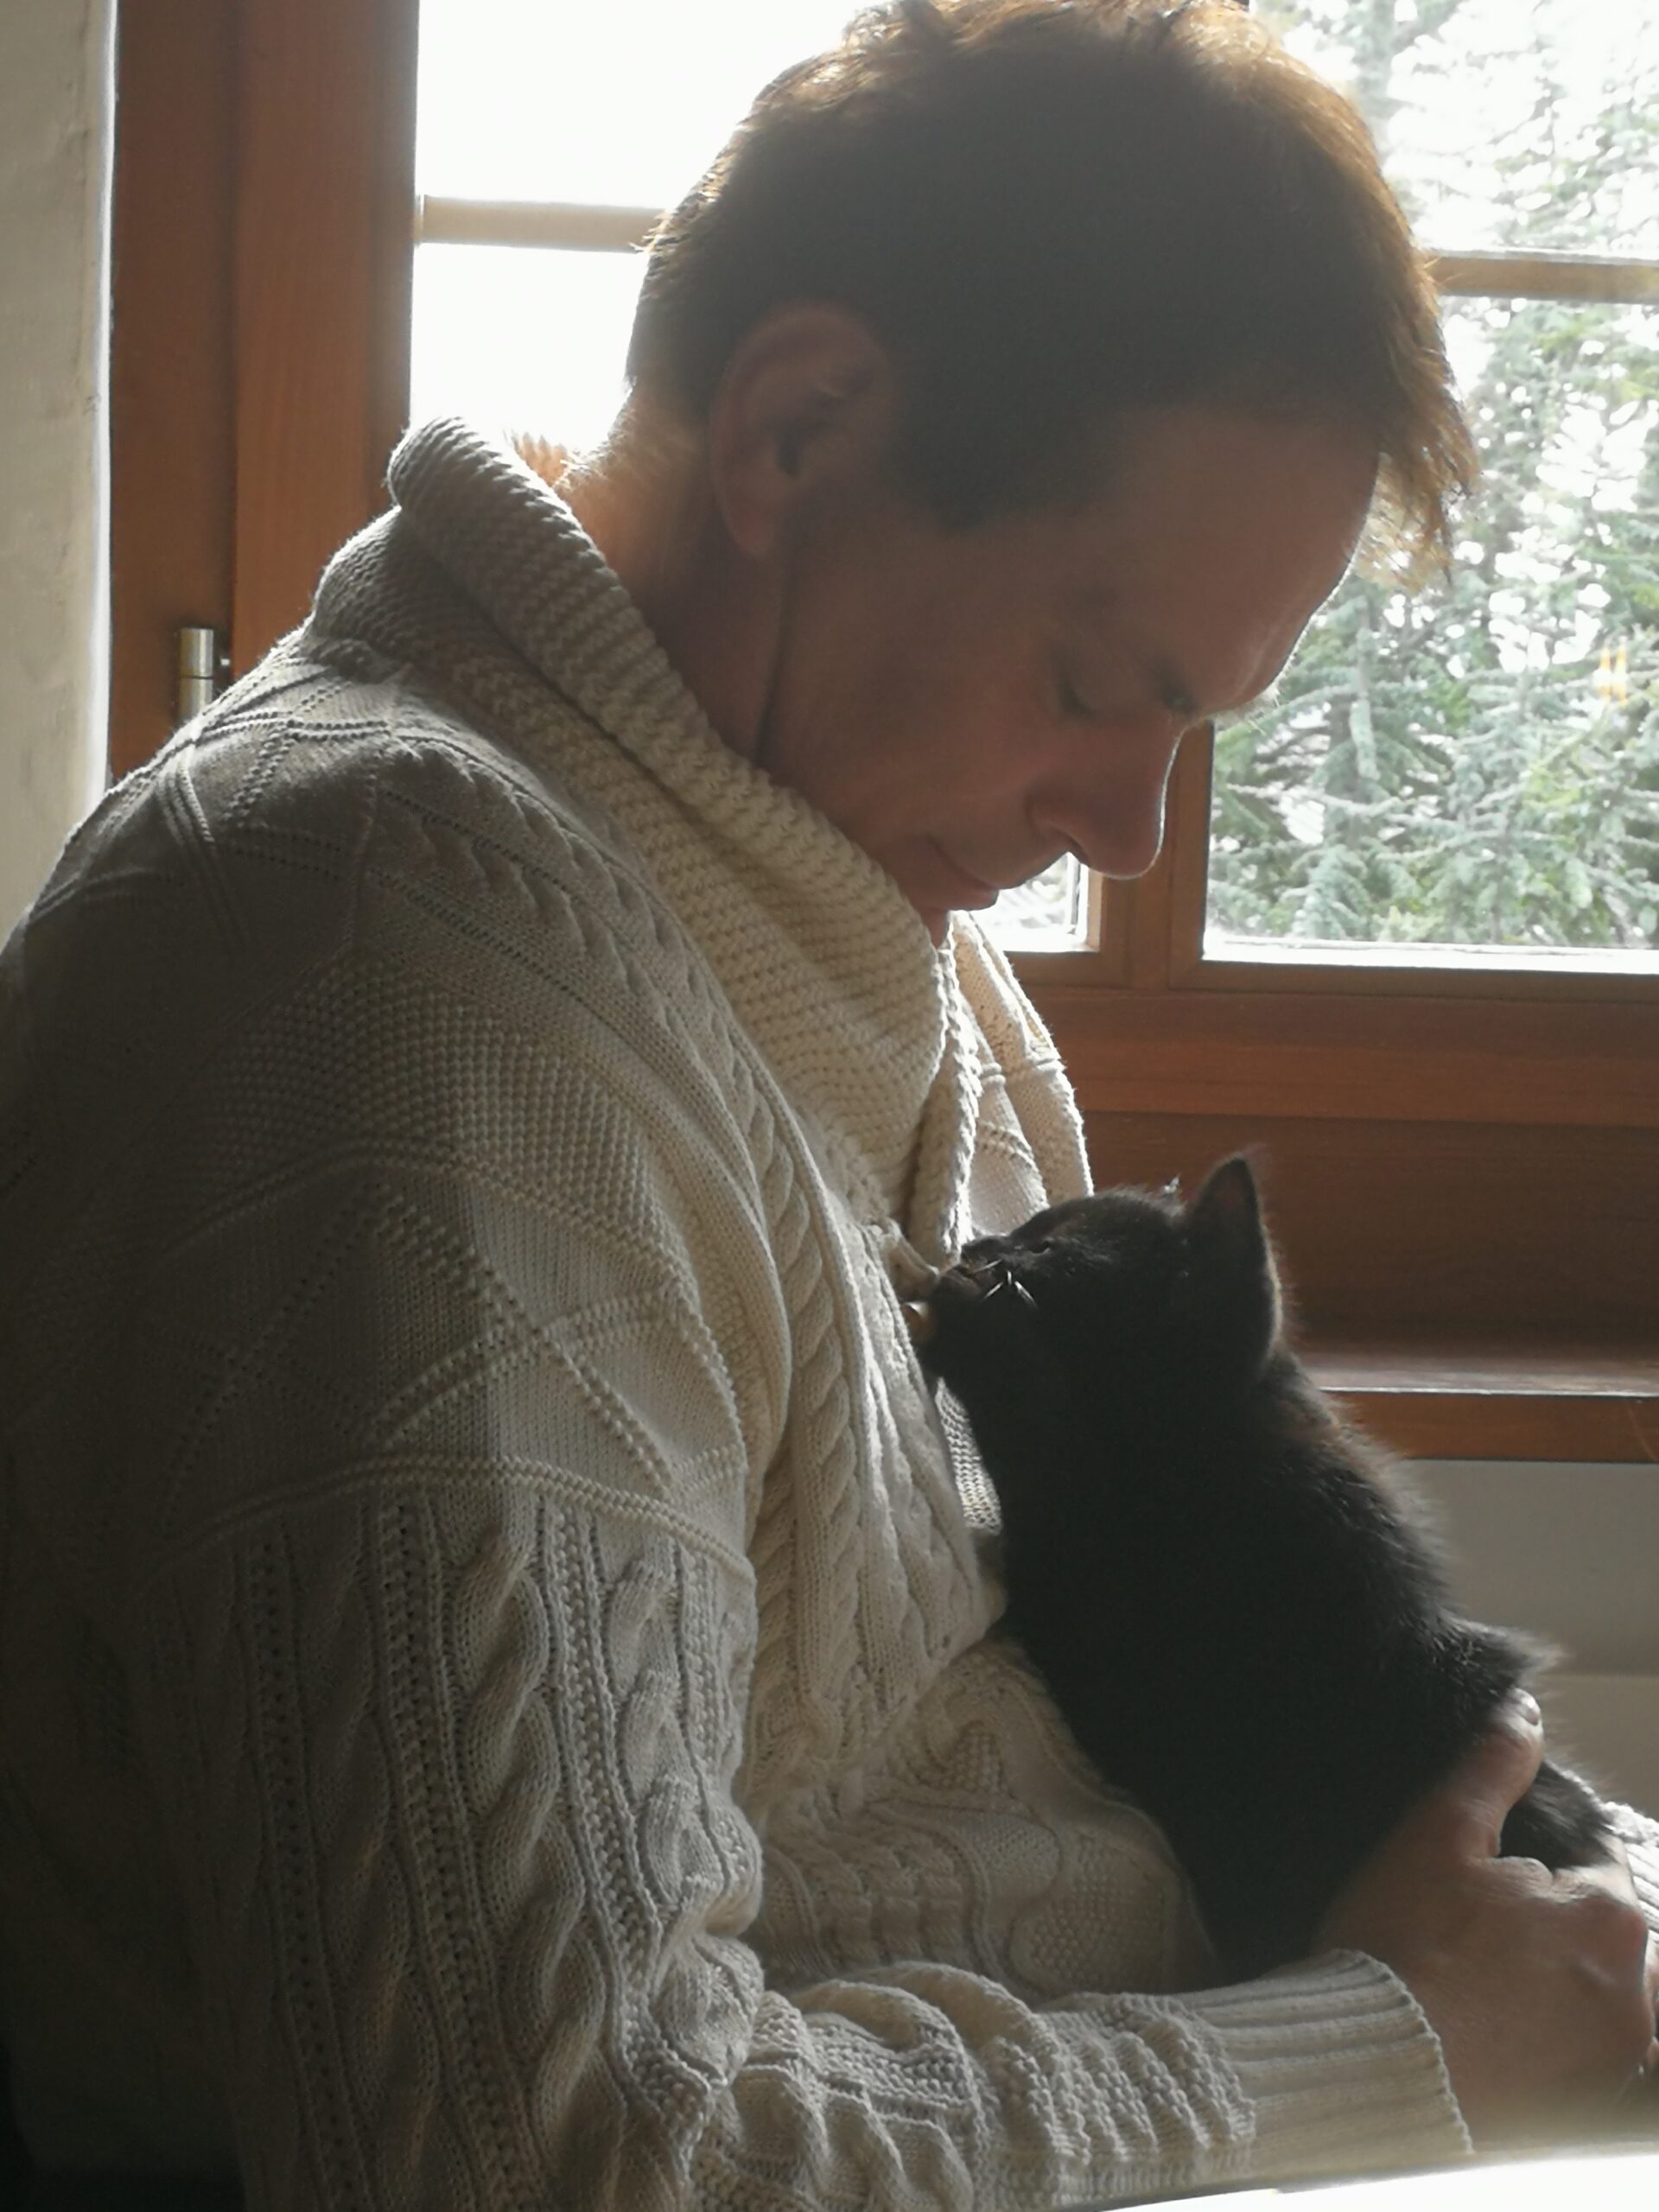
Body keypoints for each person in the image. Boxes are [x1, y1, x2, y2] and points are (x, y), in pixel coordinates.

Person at [1, 1, 1656, 2204]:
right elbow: (543, 2149)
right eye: (1099, 685)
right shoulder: (398, 978)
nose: (1132, 830)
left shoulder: (858, 917)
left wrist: (1573, 1924)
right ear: (797, 426)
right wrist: (1398, 2044)